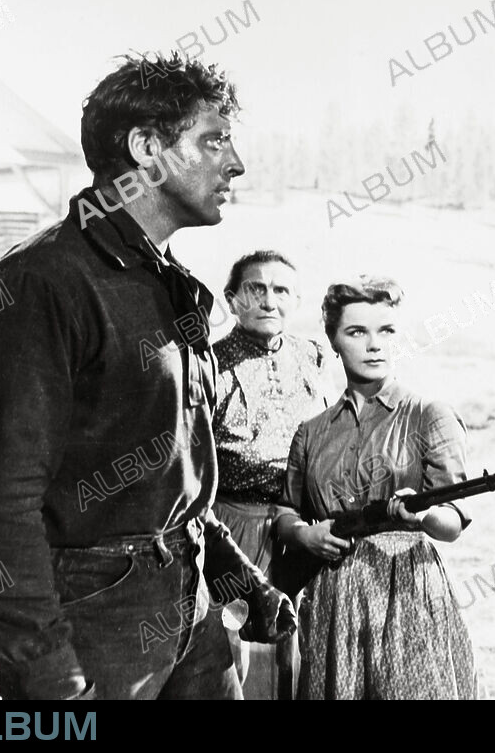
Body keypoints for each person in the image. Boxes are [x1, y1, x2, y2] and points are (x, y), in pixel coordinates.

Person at [0, 52, 295, 701]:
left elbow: (176, 476)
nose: (236, 163)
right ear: (146, 148)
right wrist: (48, 677)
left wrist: (239, 579)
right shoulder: (40, 283)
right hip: (94, 626)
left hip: (194, 614)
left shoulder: (168, 284)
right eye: (214, 140)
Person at [274, 276, 479, 700]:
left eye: (386, 331)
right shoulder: (311, 432)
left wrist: (423, 515)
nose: (374, 345)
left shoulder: (428, 416)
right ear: (333, 340)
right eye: (356, 332)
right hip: (333, 599)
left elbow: (452, 521)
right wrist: (304, 535)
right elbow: (285, 512)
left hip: (407, 596)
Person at [212, 250, 329, 698]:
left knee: (300, 649)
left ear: (296, 300)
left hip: (302, 527)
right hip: (236, 525)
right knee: (237, 649)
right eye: (255, 289)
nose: (268, 301)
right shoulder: (210, 365)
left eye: (281, 290)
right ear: (232, 299)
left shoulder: (313, 357)